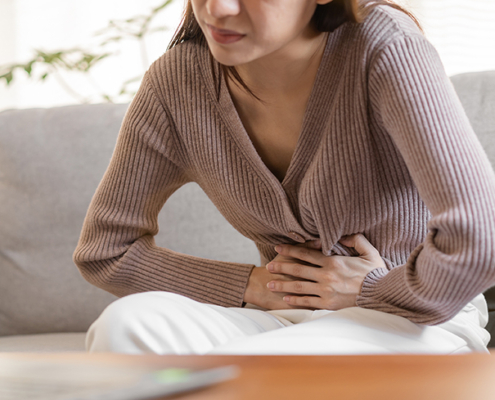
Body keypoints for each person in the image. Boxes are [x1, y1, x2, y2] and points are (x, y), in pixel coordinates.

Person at [73, 0, 495, 355]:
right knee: (126, 327)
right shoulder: (177, 83)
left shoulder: (384, 47)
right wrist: (255, 284)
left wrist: (370, 290)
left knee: (257, 366)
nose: (217, 8)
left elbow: (482, 239)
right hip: (285, 320)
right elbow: (106, 251)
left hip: (421, 320)